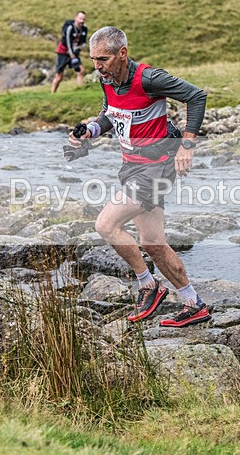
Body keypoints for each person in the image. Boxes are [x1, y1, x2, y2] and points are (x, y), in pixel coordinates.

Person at [68, 26, 210, 327]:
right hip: (132, 166)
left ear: (122, 53)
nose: (97, 65)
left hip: (157, 166)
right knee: (152, 242)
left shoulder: (149, 78)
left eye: (103, 58)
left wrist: (187, 144)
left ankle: (148, 285)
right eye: (93, 59)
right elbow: (110, 113)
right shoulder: (106, 79)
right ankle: (193, 303)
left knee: (106, 224)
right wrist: (90, 132)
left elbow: (197, 97)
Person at [51, 11, 88, 93]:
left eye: (83, 19)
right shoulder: (70, 28)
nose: (82, 21)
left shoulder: (84, 29)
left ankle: (81, 91)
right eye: (80, 18)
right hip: (63, 53)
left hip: (74, 53)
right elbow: (67, 42)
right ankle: (52, 93)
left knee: (81, 71)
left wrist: (81, 47)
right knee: (59, 76)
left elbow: (83, 42)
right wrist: (72, 55)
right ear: (76, 18)